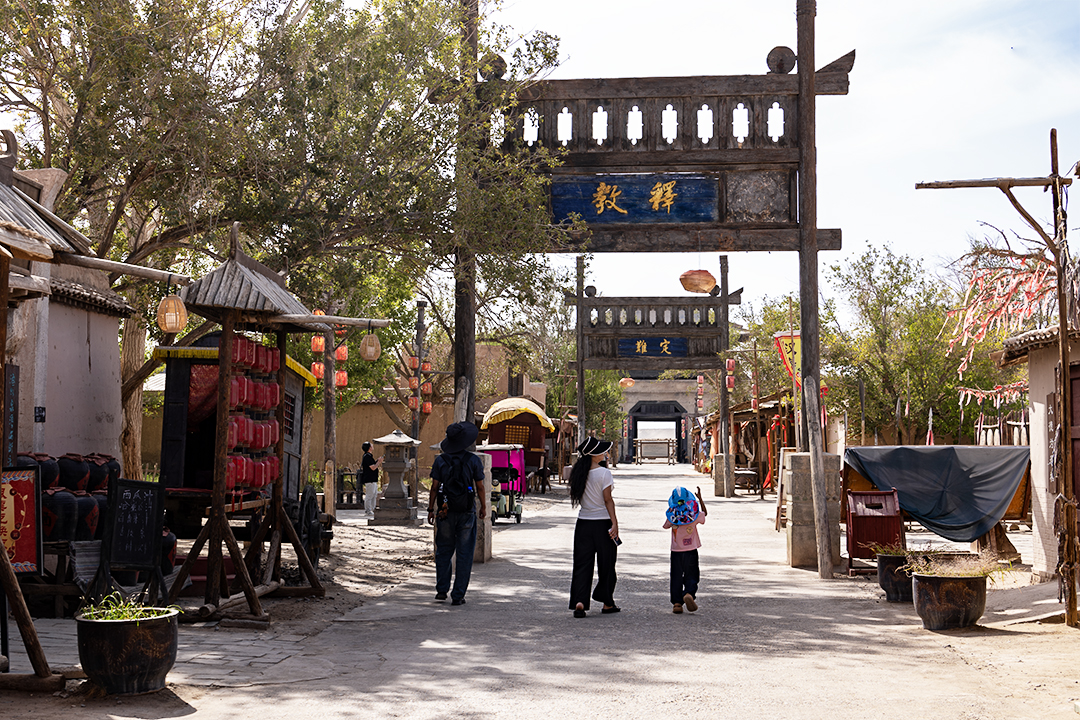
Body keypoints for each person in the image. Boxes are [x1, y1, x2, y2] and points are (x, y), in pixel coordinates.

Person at [426, 421, 487, 606]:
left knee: (444, 550)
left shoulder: (440, 461)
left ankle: (441, 590)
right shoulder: (473, 460)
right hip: (467, 510)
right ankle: (458, 594)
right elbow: (480, 487)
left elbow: (434, 487)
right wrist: (483, 507)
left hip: (444, 511)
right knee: (464, 553)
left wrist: (431, 509)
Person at [568, 436, 620, 618]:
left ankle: (580, 602)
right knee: (607, 563)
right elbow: (608, 500)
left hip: (583, 523)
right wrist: (615, 523)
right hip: (603, 523)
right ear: (593, 454)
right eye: (602, 451)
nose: (605, 453)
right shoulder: (604, 473)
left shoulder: (578, 473)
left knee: (582, 564)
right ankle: (607, 602)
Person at [663, 485, 708, 614]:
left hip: (676, 551)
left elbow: (666, 526)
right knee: (692, 573)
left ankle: (677, 603)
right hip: (691, 550)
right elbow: (705, 514)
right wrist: (700, 499)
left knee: (676, 575)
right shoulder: (694, 514)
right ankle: (689, 593)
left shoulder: (672, 515)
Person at [360, 441, 382, 519]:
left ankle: (373, 509)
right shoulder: (367, 457)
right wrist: (378, 462)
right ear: (369, 448)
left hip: (373, 480)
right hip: (369, 480)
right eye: (371, 445)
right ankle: (368, 510)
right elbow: (373, 467)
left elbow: (372, 465)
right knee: (369, 495)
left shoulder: (369, 456)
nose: (372, 446)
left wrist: (376, 461)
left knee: (374, 495)